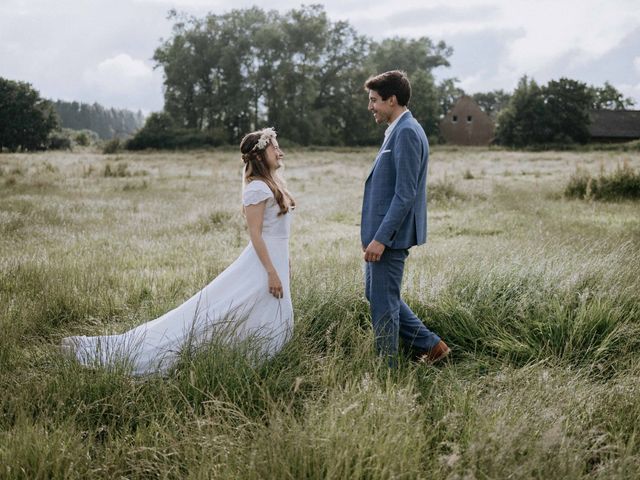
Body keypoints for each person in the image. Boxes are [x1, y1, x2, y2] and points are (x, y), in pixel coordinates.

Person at [61, 128, 295, 375]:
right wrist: (271, 271)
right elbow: (256, 234)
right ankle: (113, 351)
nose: (280, 152)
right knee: (220, 313)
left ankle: (249, 360)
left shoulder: (270, 186)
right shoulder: (257, 189)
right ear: (259, 156)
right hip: (260, 265)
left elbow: (278, 235)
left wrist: (284, 263)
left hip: (273, 261)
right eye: (274, 148)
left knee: (261, 312)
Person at [361, 70, 450, 366]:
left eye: (374, 100)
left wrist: (380, 239)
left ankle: (387, 370)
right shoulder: (398, 129)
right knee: (376, 295)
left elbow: (405, 194)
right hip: (383, 235)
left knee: (384, 304)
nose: (370, 106)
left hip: (391, 237)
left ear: (392, 100)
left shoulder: (408, 132)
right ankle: (432, 345)